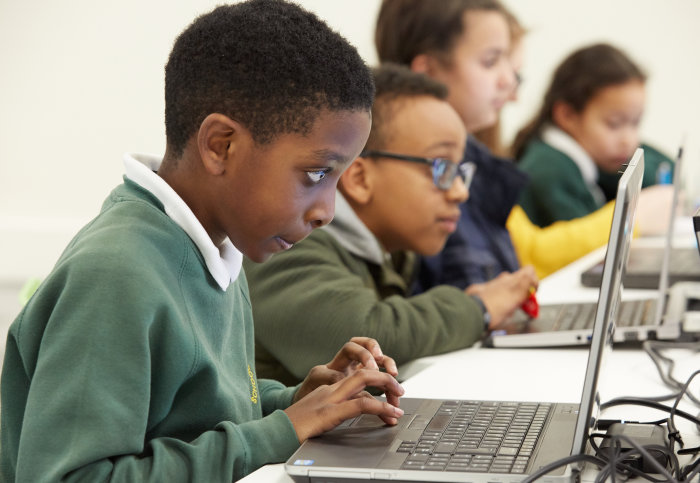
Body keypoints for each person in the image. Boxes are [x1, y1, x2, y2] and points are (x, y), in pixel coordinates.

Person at [0, 2, 406, 481]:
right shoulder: (117, 274)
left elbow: (194, 417)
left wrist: (295, 401)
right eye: (316, 173)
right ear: (221, 146)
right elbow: (70, 477)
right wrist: (280, 431)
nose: (327, 212)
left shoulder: (217, 246)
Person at [243, 63, 538, 386]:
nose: (460, 191)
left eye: (460, 171)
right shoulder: (288, 241)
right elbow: (368, 334)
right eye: (441, 168)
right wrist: (477, 309)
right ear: (360, 178)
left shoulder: (392, 251)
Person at [374, 0, 674, 284]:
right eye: (491, 61)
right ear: (427, 72)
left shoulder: (476, 157)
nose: (510, 88)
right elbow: (526, 258)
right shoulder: (407, 169)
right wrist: (630, 220)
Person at [512, 42, 674, 227]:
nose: (628, 140)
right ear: (567, 115)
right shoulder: (550, 170)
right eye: (614, 124)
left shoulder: (594, 159)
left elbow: (666, 169)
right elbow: (584, 246)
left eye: (635, 123)